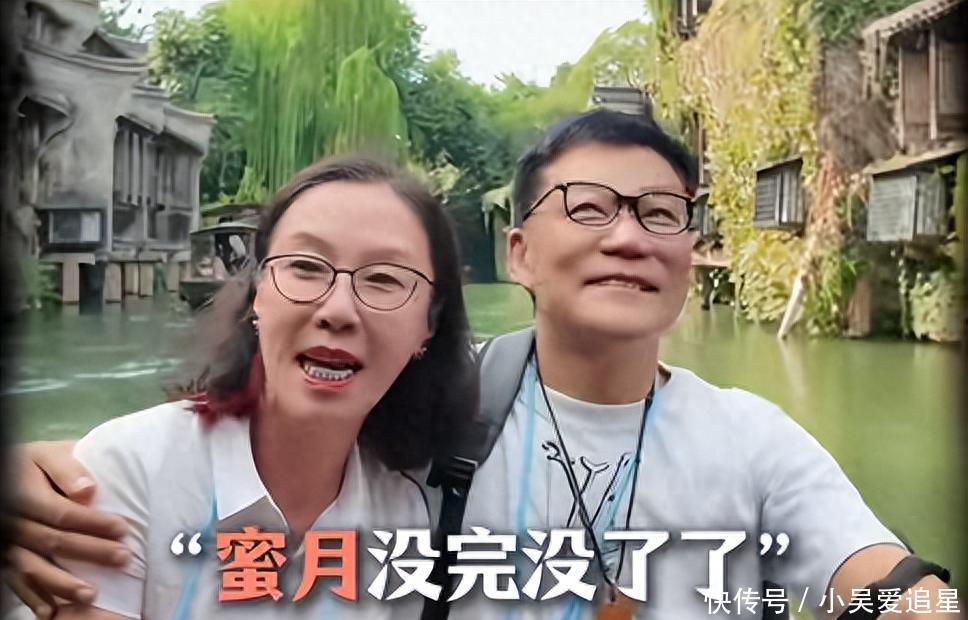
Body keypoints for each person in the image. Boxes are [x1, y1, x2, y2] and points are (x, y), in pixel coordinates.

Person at [6, 111, 959, 619]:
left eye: (661, 214)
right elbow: (254, 435)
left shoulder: (753, 440)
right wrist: (39, 474)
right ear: (518, 254)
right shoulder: (429, 419)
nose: (629, 238)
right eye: (589, 208)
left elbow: (878, 574)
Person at [3, 155, 476, 619]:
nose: (337, 310)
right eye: (305, 267)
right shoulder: (130, 472)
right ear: (258, 294)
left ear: (430, 325)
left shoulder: (406, 514)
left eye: (384, 279)